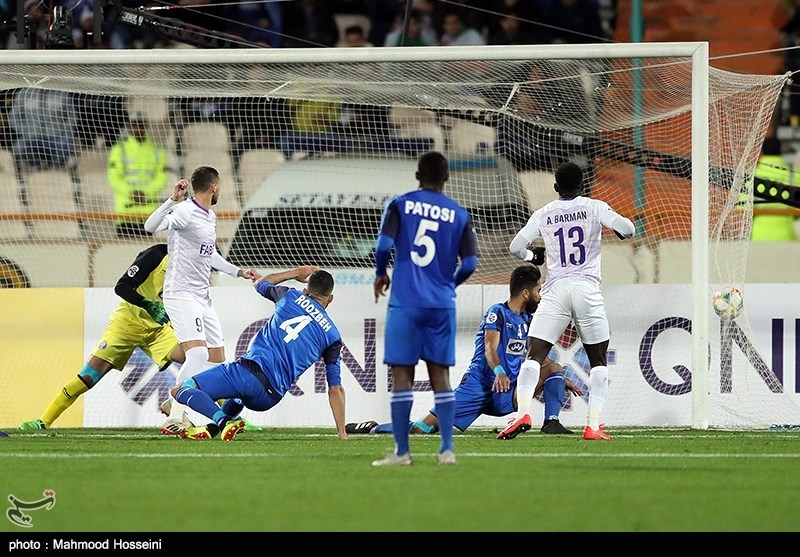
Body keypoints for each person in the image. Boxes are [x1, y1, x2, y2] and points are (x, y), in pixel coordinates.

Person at [347, 264, 583, 437]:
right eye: (538, 292)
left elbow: (536, 359)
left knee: (553, 366)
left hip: (506, 391)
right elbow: (491, 348)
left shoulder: (527, 321)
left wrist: (557, 377)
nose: (539, 297)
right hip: (478, 385)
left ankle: (551, 422)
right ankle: (374, 427)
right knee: (422, 429)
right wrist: (499, 371)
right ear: (525, 293)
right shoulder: (497, 313)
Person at [501, 161, 634, 441]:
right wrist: (621, 229)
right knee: (598, 361)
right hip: (587, 289)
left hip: (556, 289)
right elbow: (628, 229)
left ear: (555, 187)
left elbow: (515, 246)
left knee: (534, 355)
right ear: (582, 184)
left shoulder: (544, 213)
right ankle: (593, 425)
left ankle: (522, 412)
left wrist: (532, 257)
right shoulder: (594, 206)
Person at [371, 150, 478, 467]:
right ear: (447, 178)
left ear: (417, 176)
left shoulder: (401, 204)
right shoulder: (459, 214)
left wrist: (381, 273)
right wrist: (450, 285)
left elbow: (382, 246)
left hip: (406, 302)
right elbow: (471, 262)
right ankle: (446, 450)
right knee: (440, 377)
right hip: (441, 305)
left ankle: (403, 453)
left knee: (401, 376)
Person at [144, 167, 260, 436]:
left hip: (202, 296)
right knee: (197, 354)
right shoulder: (184, 211)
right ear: (214, 187)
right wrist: (172, 200)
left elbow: (210, 256)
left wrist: (238, 271)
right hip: (181, 294)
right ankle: (175, 414)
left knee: (218, 359)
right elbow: (150, 226)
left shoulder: (210, 216)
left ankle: (180, 401)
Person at [18, 244, 185, 430]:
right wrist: (147, 304)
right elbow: (122, 286)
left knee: (193, 356)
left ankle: (209, 410)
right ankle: (43, 421)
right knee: (89, 377)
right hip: (127, 325)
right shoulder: (156, 255)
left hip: (158, 329)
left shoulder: (192, 262)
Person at [174, 266, 348, 441]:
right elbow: (335, 388)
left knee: (181, 389)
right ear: (330, 299)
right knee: (238, 396)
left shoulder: (291, 296)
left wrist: (294, 273)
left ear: (305, 290)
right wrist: (342, 432)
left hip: (248, 373)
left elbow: (260, 284)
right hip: (270, 397)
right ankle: (212, 428)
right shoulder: (333, 336)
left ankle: (223, 421)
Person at [107, 112, 168, 237]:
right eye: (134, 125)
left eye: (140, 125)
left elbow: (162, 177)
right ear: (129, 126)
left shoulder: (157, 151)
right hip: (126, 213)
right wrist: (131, 192)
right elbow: (114, 178)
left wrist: (145, 193)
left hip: (148, 213)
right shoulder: (119, 149)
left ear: (145, 126)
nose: (137, 129)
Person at [8, 87, 78, 173]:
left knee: (66, 143)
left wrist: (62, 130)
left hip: (56, 136)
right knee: (18, 147)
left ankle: (53, 169)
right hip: (30, 137)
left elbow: (72, 117)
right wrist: (25, 130)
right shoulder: (24, 93)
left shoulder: (62, 94)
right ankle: (34, 170)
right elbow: (13, 117)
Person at [749, 136, 799, 241]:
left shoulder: (754, 174)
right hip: (786, 234)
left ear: (761, 151)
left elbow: (742, 206)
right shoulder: (792, 174)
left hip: (759, 234)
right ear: (780, 150)